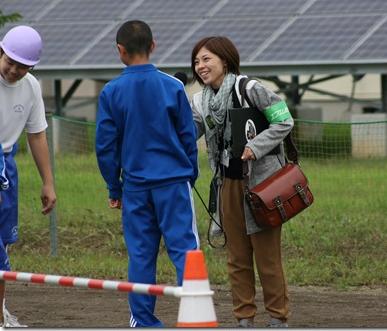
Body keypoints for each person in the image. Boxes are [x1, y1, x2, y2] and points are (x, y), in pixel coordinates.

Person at [95, 20, 200, 328]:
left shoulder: (111, 91)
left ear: (120, 51)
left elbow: (105, 147)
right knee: (185, 252)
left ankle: (143, 321)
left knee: (141, 255)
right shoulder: (173, 86)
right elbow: (187, 136)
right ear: (153, 46)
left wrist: (114, 187)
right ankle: (194, 318)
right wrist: (189, 175)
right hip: (173, 183)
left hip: (136, 187)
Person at [190, 36, 293, 328]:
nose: (201, 66)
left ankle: (277, 318)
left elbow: (284, 121)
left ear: (225, 59)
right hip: (228, 185)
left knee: (267, 257)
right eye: (197, 61)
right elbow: (190, 132)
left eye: (206, 59)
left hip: (262, 186)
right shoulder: (200, 102)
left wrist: (256, 146)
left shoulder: (249, 89)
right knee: (236, 258)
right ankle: (244, 318)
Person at [0, 25, 57, 327]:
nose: (14, 70)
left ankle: (1, 310)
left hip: (6, 167)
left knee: (2, 245)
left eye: (23, 67)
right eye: (10, 62)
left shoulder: (31, 86)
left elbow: (36, 135)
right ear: (1, 52)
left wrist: (48, 182)